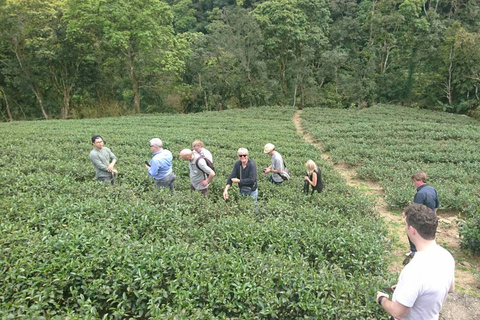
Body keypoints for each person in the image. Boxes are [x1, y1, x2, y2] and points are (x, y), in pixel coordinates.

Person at [376, 203, 455, 320]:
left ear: (412, 230)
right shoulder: (446, 255)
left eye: (405, 225)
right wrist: (409, 289)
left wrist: (381, 299)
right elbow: (450, 288)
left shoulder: (414, 270)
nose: (405, 228)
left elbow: (397, 312)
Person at [406, 172, 440, 259]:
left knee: (413, 232)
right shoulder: (432, 189)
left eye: (415, 181)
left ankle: (414, 251)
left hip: (422, 219)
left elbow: (416, 210)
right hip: (432, 217)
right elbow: (437, 205)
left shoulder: (420, 194)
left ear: (420, 181)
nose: (414, 183)